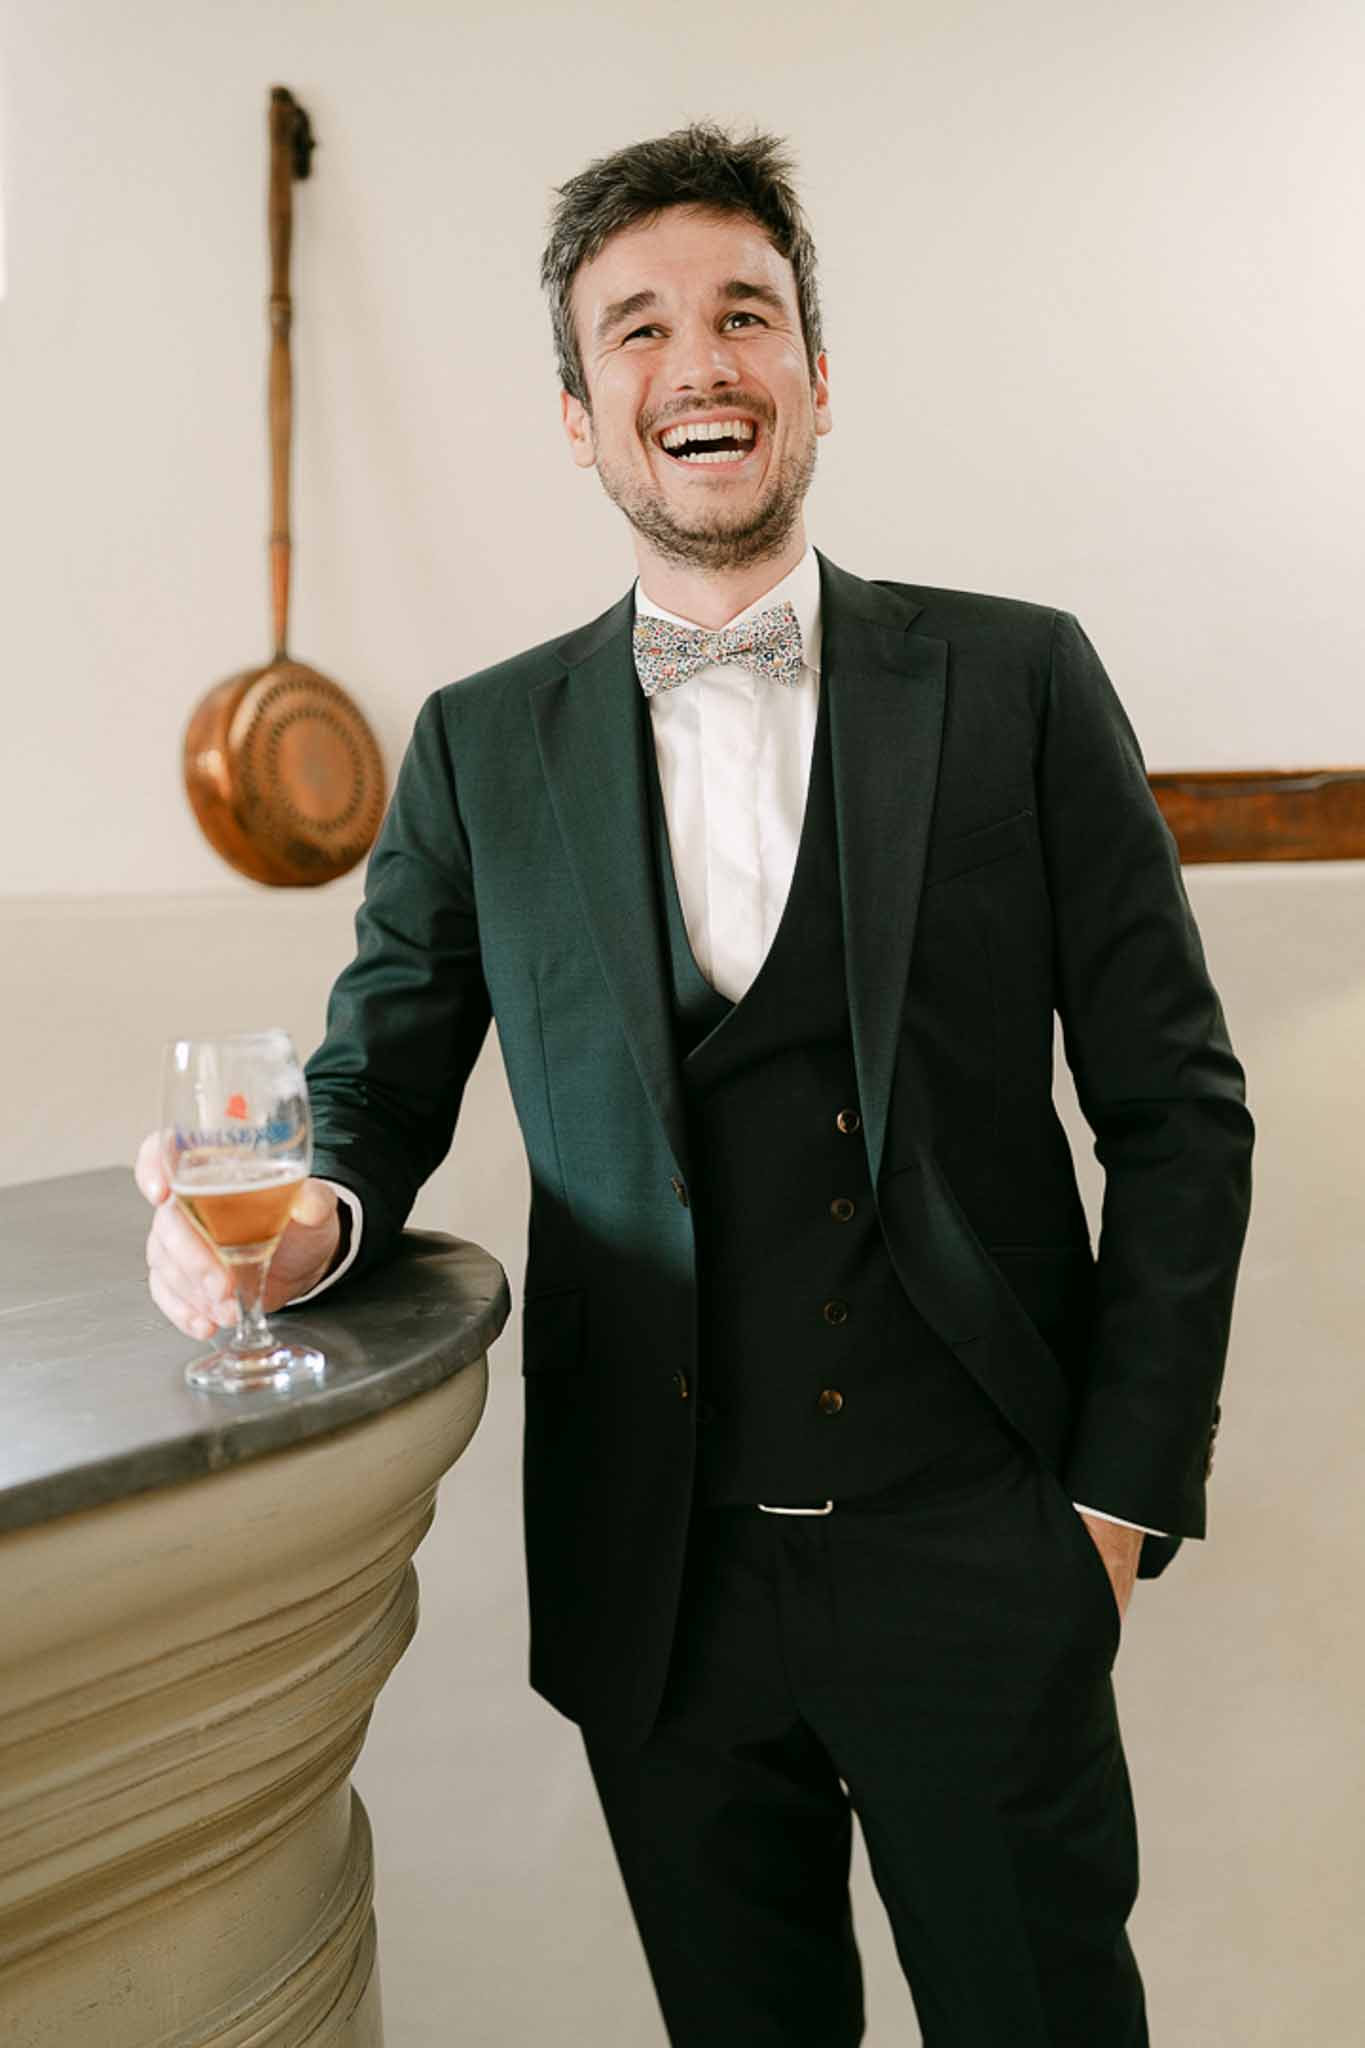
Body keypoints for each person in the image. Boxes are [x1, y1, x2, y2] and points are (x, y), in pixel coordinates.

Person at [138, 123, 1254, 2046]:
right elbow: (373, 1078)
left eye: (745, 314)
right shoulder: (483, 747)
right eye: (637, 329)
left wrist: (1114, 1504)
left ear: (816, 377)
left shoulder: (1018, 682)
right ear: (581, 414)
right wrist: (292, 1218)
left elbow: (1176, 1110)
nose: (701, 362)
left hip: (981, 1551)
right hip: (658, 1578)